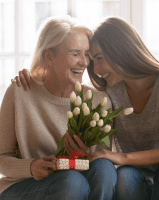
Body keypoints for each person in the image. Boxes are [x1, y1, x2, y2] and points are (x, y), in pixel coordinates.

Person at [11, 16, 159, 200]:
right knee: (125, 176)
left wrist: (124, 157)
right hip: (140, 178)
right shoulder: (111, 91)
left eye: (99, 58)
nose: (96, 68)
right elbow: (67, 79)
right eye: (92, 60)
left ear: (121, 51)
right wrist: (34, 72)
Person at [0, 15, 117, 200]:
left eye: (86, 54)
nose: (85, 62)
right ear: (49, 57)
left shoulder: (98, 100)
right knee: (71, 182)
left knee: (104, 168)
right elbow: (2, 158)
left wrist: (87, 155)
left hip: (75, 183)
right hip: (24, 185)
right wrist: (31, 167)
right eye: (75, 54)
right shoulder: (20, 92)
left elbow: (103, 159)